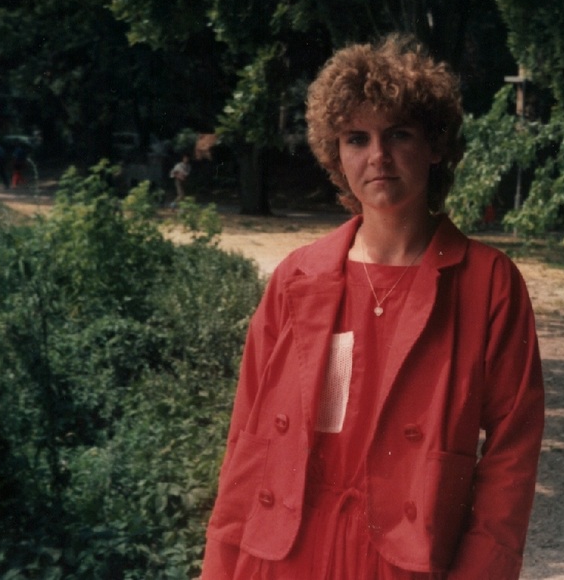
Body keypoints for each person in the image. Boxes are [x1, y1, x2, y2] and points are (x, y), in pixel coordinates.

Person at [201, 34, 544, 579]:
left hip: (408, 560)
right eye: (356, 138)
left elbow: (511, 460)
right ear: (335, 154)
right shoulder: (296, 278)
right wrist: (219, 568)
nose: (378, 156)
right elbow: (248, 440)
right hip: (283, 555)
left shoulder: (489, 285)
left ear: (435, 145)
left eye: (398, 133)